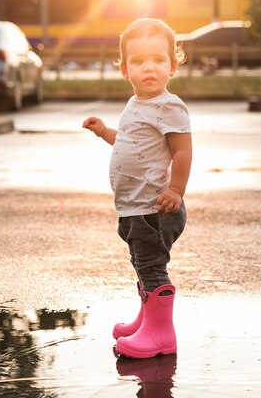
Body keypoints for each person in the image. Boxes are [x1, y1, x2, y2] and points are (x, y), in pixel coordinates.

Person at [82, 18, 192, 359]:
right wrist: (104, 133)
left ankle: (161, 336)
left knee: (153, 268)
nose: (149, 68)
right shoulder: (136, 105)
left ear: (172, 66)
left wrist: (176, 190)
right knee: (142, 265)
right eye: (139, 61)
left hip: (155, 209)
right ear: (124, 69)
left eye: (159, 60)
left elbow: (182, 151)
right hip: (134, 208)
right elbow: (130, 143)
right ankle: (147, 321)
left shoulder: (169, 106)